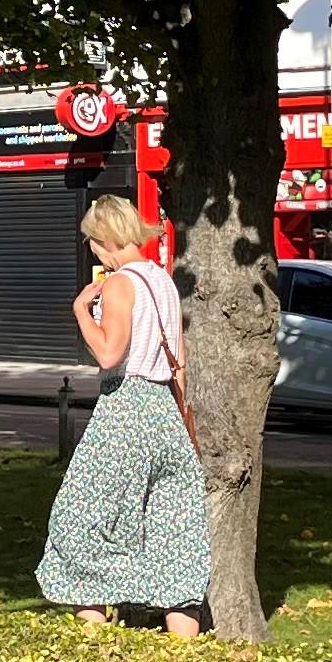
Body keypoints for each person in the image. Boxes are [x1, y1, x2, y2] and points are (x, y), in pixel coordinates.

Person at [36, 195, 213, 637]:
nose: (92, 251)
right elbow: (180, 362)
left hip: (125, 409)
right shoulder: (163, 281)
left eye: (91, 242)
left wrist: (81, 312)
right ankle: (186, 660)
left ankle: (96, 649)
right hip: (166, 413)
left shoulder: (119, 284)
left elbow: (109, 353)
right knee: (173, 534)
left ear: (104, 238)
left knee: (78, 522)